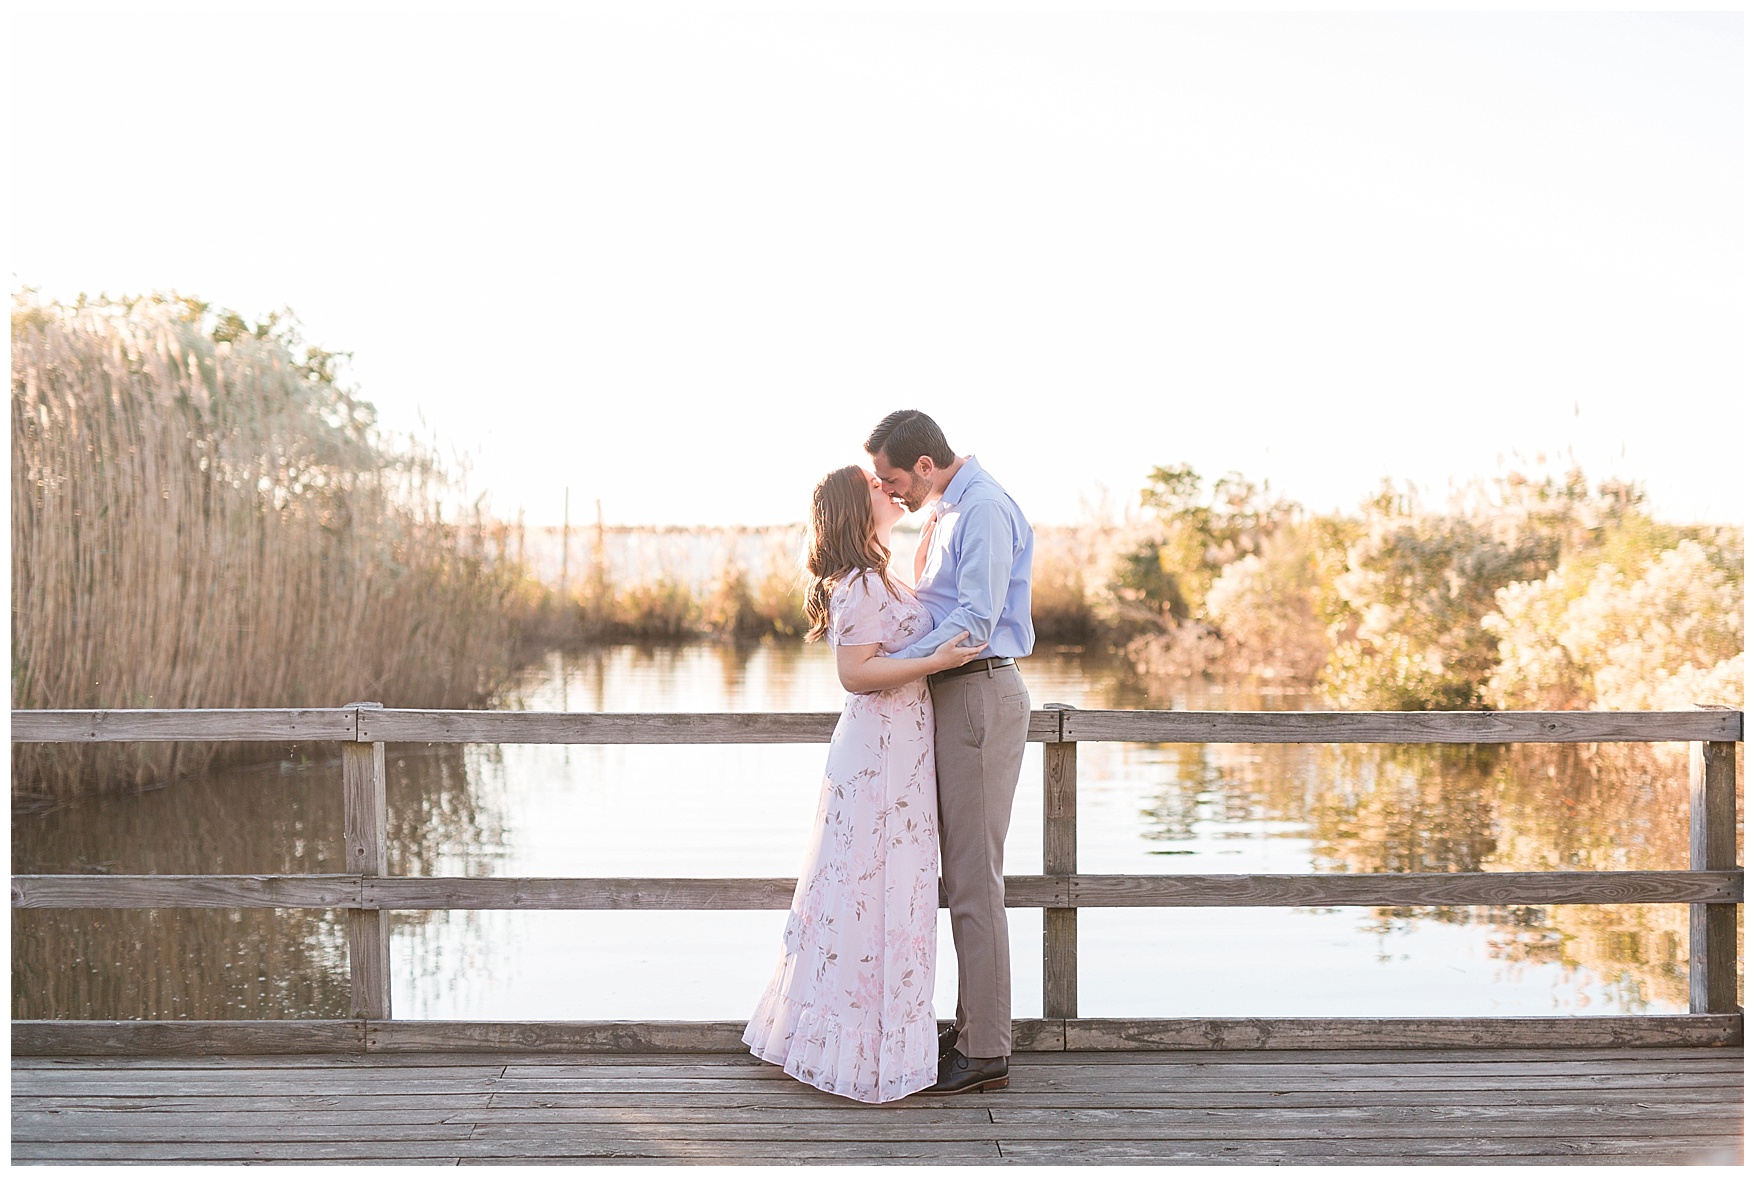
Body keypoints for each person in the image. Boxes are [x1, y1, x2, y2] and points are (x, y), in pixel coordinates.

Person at [743, 464, 988, 1104]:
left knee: (895, 886)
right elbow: (857, 673)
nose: (889, 488)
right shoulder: (854, 582)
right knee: (868, 887)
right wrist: (936, 659)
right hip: (877, 752)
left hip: (899, 748)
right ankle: (853, 1045)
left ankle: (885, 1036)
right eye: (877, 486)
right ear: (858, 507)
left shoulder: (880, 573)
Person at [866, 409, 1033, 1096]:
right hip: (951, 696)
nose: (890, 490)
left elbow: (973, 620)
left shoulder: (982, 509)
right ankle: (969, 1027)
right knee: (958, 874)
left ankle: (986, 1046)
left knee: (974, 878)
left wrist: (880, 667)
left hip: (977, 696)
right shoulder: (947, 511)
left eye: (893, 477)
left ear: (927, 465)